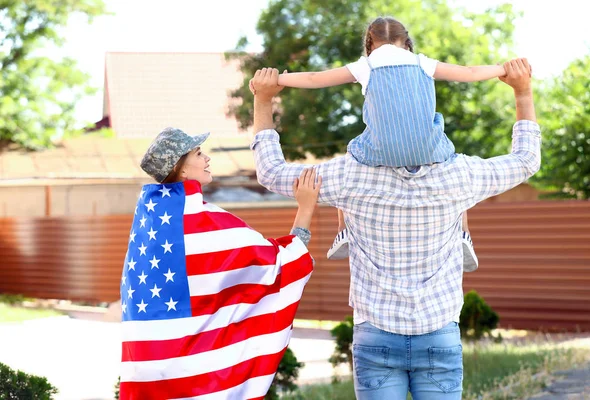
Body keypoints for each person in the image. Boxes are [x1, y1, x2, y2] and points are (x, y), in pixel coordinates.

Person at [250, 58, 540, 399]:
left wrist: (264, 100)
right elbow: (526, 160)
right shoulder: (460, 175)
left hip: (376, 332)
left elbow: (270, 171)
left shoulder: (348, 176)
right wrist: (522, 92)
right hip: (438, 331)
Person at [262, 16, 500, 266]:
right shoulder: (423, 63)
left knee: (352, 153)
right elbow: (471, 73)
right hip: (429, 152)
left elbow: (314, 79)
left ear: (370, 43)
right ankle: (463, 232)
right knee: (451, 161)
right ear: (406, 42)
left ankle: (344, 228)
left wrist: (279, 79)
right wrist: (501, 69)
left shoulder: (367, 65)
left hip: (380, 155)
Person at [118, 127, 321, 400]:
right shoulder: (205, 222)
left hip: (153, 375)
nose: (207, 158)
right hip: (196, 384)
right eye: (199, 153)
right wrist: (305, 207)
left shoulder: (146, 225)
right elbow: (277, 265)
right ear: (182, 169)